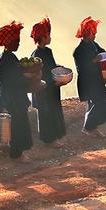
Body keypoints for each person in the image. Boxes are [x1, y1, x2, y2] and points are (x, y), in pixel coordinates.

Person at [0, 21, 34, 159]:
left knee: (16, 125)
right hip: (13, 100)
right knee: (18, 126)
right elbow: (12, 82)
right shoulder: (6, 60)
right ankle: (17, 154)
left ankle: (13, 150)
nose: (18, 44)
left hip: (11, 98)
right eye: (16, 41)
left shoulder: (7, 57)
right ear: (8, 42)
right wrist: (28, 77)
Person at [73, 16, 106, 136]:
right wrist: (94, 61)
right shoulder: (78, 51)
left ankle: (92, 128)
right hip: (87, 81)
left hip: (97, 79)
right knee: (99, 102)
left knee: (95, 103)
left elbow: (103, 52)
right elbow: (82, 68)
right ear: (86, 34)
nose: (95, 35)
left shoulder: (93, 44)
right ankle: (88, 127)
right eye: (93, 33)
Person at [30, 17, 66, 146]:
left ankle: (54, 137)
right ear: (43, 37)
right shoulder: (36, 56)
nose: (50, 37)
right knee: (46, 114)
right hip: (44, 89)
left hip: (51, 88)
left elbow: (51, 67)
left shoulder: (48, 51)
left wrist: (59, 69)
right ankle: (49, 139)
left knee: (53, 112)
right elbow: (39, 75)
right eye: (48, 35)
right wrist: (54, 81)